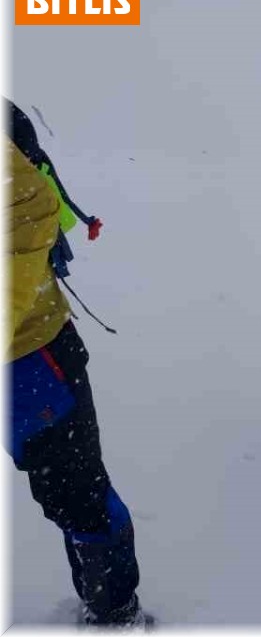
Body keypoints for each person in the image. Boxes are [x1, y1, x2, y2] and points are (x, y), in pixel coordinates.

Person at [6, 137, 150, 626]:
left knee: (76, 494)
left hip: (28, 355)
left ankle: (114, 616)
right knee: (60, 490)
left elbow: (32, 207)